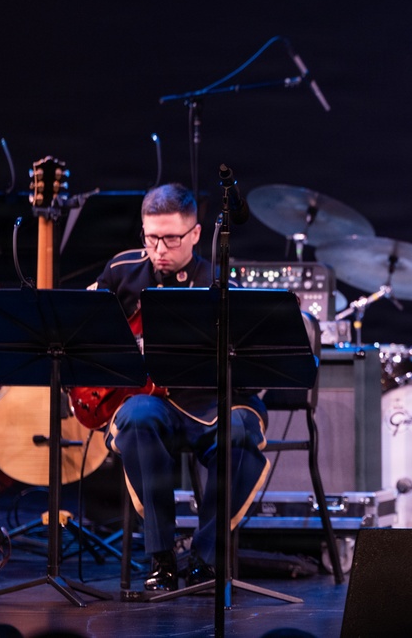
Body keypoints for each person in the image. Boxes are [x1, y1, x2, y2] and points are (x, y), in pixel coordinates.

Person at [88, 183, 269, 592]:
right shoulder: (121, 271)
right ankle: (162, 556)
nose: (159, 249)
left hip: (210, 403)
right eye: (151, 237)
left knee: (239, 434)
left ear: (196, 235)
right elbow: (89, 331)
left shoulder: (220, 282)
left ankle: (205, 558)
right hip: (151, 402)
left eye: (170, 239)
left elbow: (254, 369)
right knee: (135, 418)